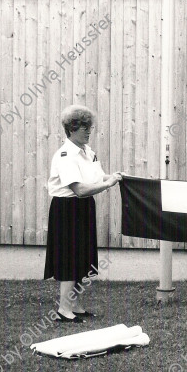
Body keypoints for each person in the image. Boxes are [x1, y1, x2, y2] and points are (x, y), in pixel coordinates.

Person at [44, 105, 123, 323]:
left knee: (83, 258)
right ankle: (63, 310)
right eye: (84, 128)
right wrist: (109, 184)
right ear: (71, 129)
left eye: (90, 127)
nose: (89, 131)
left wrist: (113, 176)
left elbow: (97, 177)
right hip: (67, 209)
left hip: (84, 207)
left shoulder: (88, 152)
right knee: (69, 258)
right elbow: (79, 189)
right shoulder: (66, 155)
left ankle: (76, 306)